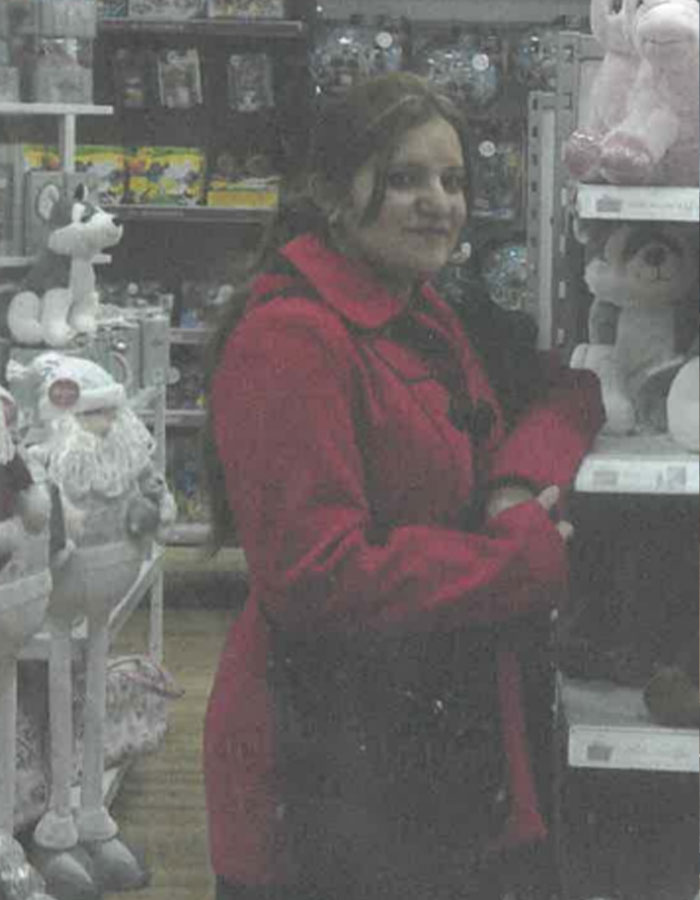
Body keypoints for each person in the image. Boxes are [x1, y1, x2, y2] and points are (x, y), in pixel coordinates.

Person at [201, 71, 604, 900]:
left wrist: (514, 484)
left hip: (415, 743)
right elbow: (317, 573)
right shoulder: (292, 340)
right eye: (405, 179)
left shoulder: (419, 309)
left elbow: (564, 396)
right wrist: (516, 561)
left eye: (453, 181)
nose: (439, 204)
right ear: (335, 192)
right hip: (323, 761)